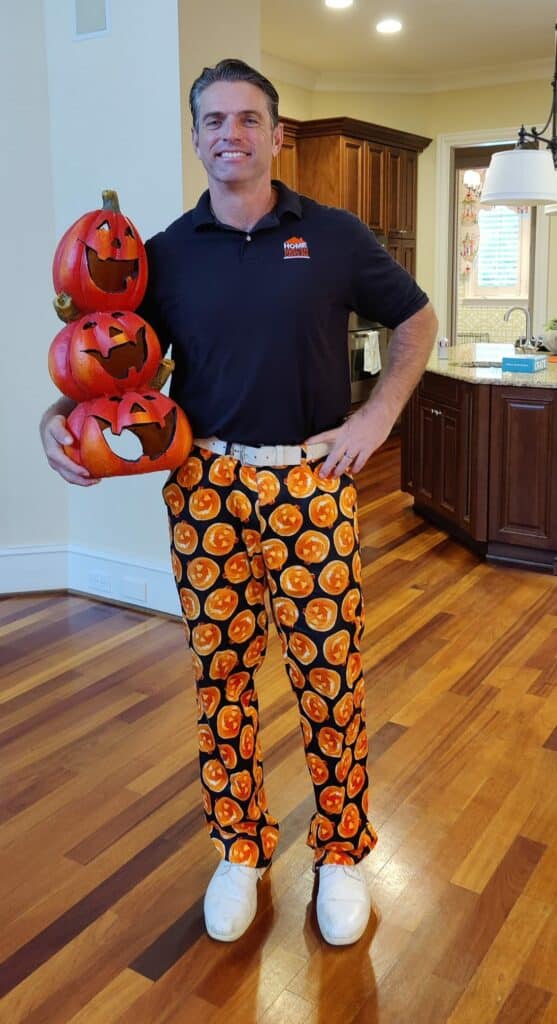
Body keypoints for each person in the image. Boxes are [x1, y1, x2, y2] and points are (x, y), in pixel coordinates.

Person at [40, 58, 438, 947]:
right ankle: (239, 849)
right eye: (213, 120)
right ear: (195, 138)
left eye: (249, 118)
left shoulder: (333, 235)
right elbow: (112, 365)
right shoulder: (164, 256)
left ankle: (338, 855)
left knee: (327, 678)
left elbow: (415, 319)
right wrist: (51, 421)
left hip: (312, 484)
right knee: (220, 679)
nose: (231, 133)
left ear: (276, 133)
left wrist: (377, 414)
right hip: (204, 487)